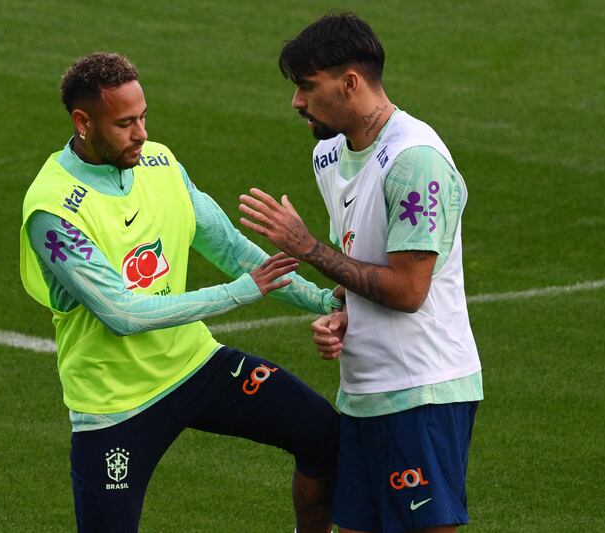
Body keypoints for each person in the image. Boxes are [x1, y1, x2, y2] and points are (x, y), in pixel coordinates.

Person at [19, 52, 341, 532]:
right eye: (125, 123)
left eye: (143, 116)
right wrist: (237, 293)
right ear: (83, 121)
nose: (142, 133)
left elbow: (233, 249)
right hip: (115, 404)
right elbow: (122, 314)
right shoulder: (52, 210)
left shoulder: (159, 162)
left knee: (325, 436)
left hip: (194, 366)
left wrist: (323, 300)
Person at [238, 13, 483, 533]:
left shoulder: (415, 161)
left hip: (422, 389)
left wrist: (307, 248)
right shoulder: (329, 155)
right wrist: (345, 313)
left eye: (307, 86)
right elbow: (361, 261)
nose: (296, 101)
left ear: (350, 83)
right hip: (363, 392)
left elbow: (410, 289)